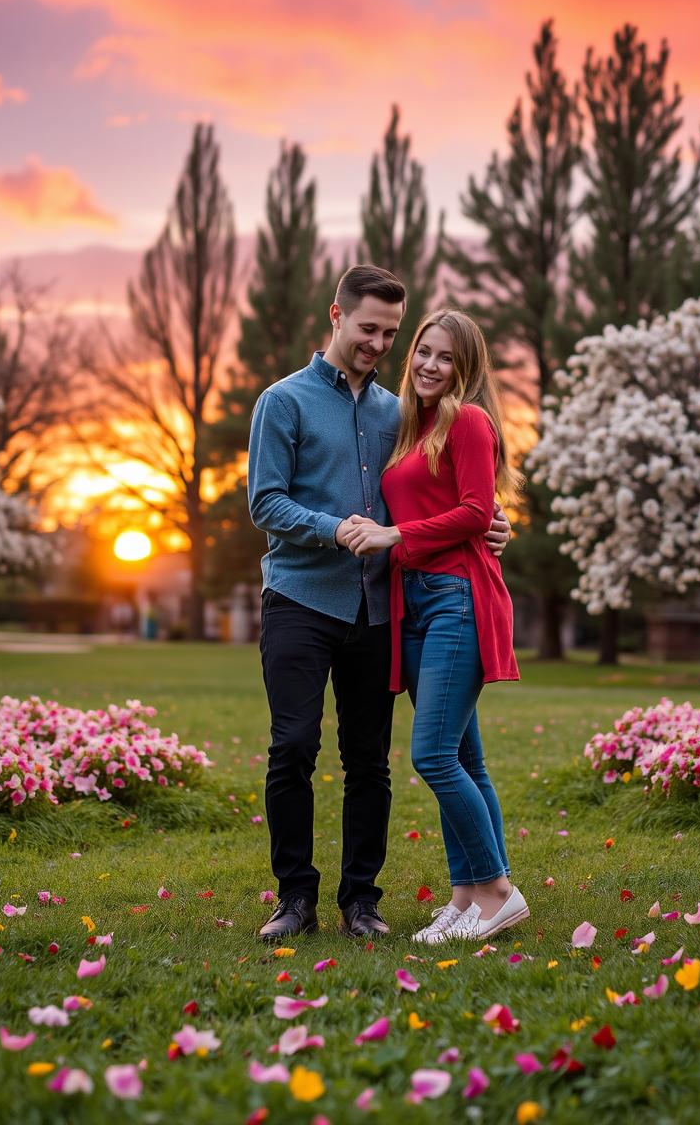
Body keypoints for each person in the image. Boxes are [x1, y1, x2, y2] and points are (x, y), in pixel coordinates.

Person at [247, 268, 510, 941]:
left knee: (369, 760)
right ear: (336, 315)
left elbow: (449, 488)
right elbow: (264, 502)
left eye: (390, 333)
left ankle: (361, 901)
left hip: (378, 607)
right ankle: (295, 899)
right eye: (368, 329)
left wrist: (494, 523)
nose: (378, 343)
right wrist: (333, 528)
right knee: (294, 746)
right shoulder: (285, 402)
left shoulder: (401, 410)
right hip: (301, 598)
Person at [343, 309, 526, 942]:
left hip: (457, 597)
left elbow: (478, 510)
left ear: (465, 367)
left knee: (433, 755)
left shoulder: (469, 420)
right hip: (415, 602)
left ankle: (498, 891)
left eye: (445, 358)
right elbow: (466, 506)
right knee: (465, 759)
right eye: (423, 351)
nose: (429, 365)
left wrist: (395, 534)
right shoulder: (409, 427)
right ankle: (466, 897)